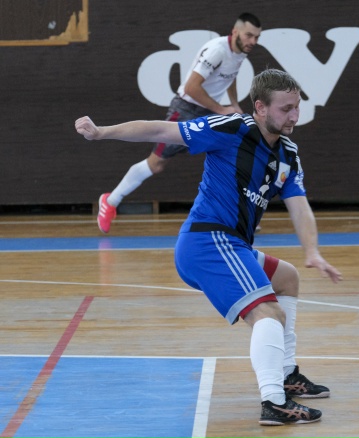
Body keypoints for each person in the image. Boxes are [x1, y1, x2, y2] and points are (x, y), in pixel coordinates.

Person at [75, 68, 342, 426]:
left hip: (232, 245)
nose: (294, 116)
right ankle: (274, 402)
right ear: (260, 107)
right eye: (286, 109)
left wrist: (312, 251)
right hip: (208, 241)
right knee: (268, 314)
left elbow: (299, 206)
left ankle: (286, 374)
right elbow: (160, 130)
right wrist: (102, 132)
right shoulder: (232, 128)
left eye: (297, 107)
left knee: (287, 278)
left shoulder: (288, 153)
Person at [96, 12, 262, 234]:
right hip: (186, 110)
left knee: (234, 153)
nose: (253, 41)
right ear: (235, 32)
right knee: (156, 164)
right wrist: (223, 109)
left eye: (256, 37)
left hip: (209, 111)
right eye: (249, 35)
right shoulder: (217, 51)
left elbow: (230, 76)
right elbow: (192, 88)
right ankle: (110, 201)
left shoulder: (240, 51)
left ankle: (240, 215)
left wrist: (234, 104)